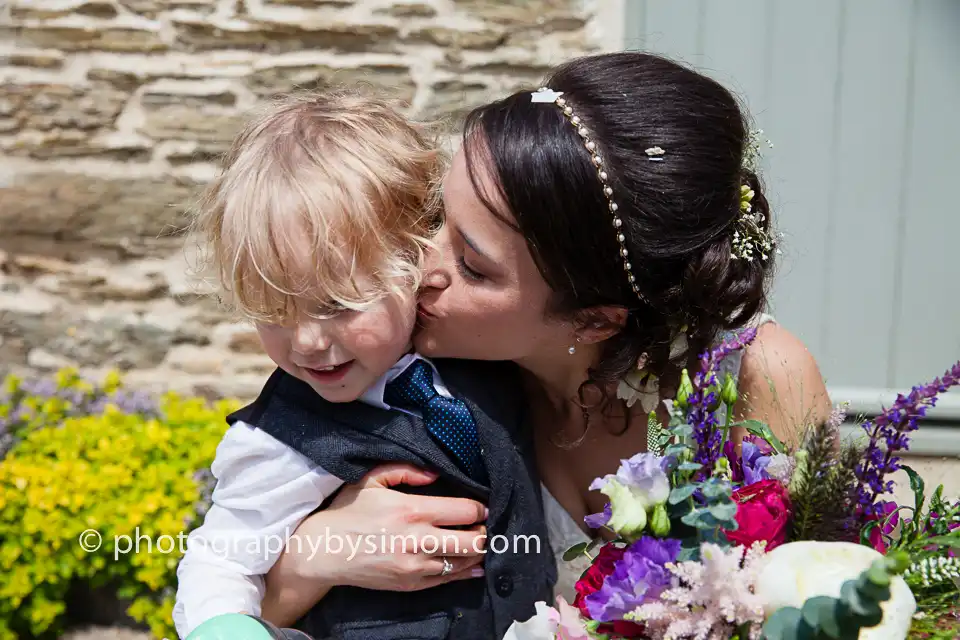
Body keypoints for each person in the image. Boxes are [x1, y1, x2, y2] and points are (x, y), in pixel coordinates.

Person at [257, 51, 833, 625]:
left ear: (594, 321)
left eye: (472, 265)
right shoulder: (391, 366)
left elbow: (837, 596)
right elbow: (229, 603)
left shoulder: (760, 378)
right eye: (435, 218)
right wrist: (317, 555)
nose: (419, 268)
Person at [173, 90, 554, 639]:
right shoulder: (281, 436)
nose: (305, 341)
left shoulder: (485, 354)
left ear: (416, 255)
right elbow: (221, 562)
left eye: (336, 305)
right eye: (272, 312)